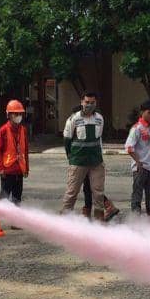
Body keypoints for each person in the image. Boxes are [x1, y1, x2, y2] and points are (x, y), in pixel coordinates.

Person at [61, 92, 107, 220]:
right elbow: (67, 140)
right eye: (87, 102)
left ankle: (99, 220)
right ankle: (64, 220)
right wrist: (71, 157)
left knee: (98, 193)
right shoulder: (73, 119)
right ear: (81, 102)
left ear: (96, 103)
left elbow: (99, 139)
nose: (89, 105)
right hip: (78, 161)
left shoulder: (99, 118)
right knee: (72, 192)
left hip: (96, 161)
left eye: (92, 103)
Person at [124, 100, 150, 222]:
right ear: (142, 112)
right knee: (137, 193)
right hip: (140, 167)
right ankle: (136, 218)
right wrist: (138, 162)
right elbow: (129, 147)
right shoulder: (136, 128)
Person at [0, 99, 30, 205]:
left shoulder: (23, 130)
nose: (19, 116)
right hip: (7, 171)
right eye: (16, 114)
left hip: (19, 170)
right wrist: (0, 168)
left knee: (17, 198)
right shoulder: (3, 130)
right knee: (4, 197)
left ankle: (15, 218)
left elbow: (26, 151)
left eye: (20, 114)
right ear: (9, 115)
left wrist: (26, 168)